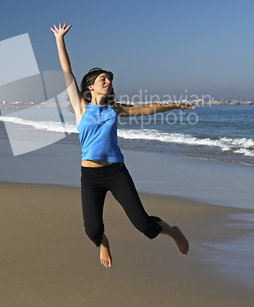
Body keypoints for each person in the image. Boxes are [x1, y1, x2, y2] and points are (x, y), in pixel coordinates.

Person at [51, 23, 192, 268]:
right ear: (90, 86)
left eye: (109, 79)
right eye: (103, 78)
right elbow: (67, 72)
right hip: (91, 176)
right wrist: (59, 39)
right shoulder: (81, 107)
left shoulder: (114, 109)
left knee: (142, 224)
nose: (108, 81)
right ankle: (104, 243)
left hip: (116, 173)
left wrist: (174, 105)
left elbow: (147, 108)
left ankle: (173, 231)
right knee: (92, 231)